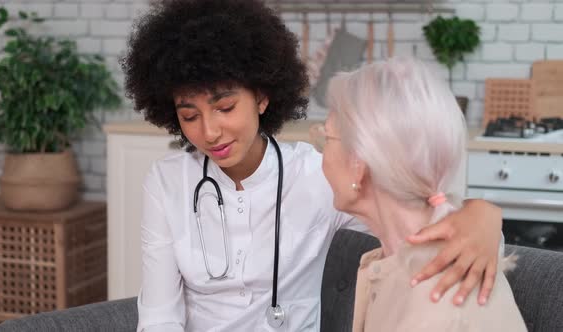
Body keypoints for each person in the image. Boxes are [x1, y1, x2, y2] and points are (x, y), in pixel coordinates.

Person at [121, 1, 504, 331]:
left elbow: (417, 220)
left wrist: (483, 216)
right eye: (189, 116)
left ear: (262, 98)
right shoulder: (168, 181)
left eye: (225, 108)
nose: (210, 132)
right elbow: (159, 316)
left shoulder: (322, 176)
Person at [321, 57, 526, 331]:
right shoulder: (399, 258)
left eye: (326, 138)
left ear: (358, 165)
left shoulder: (434, 304)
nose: (321, 155)